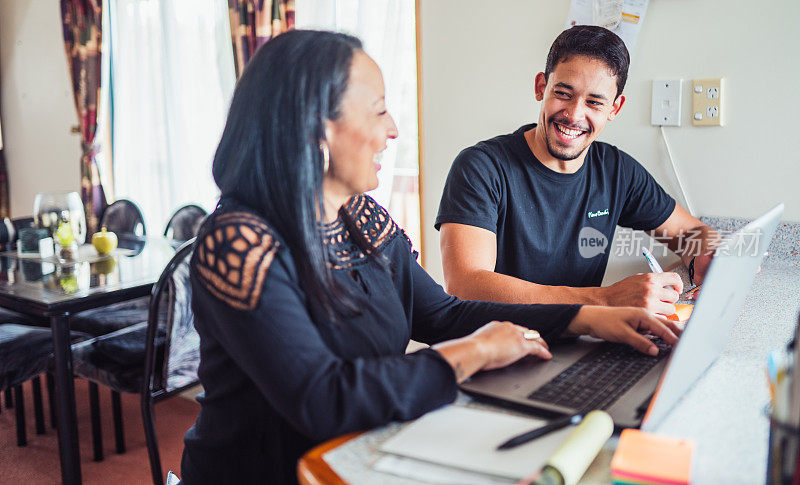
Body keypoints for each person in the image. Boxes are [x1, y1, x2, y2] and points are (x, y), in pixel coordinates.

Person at [179, 30, 680, 484]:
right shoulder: (237, 241)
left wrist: (589, 318)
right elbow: (323, 398)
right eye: (377, 110)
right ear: (316, 128)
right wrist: (476, 351)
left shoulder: (360, 217)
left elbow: (441, 313)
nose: (393, 128)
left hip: (363, 453)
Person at [436, 26, 720, 315]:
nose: (573, 114)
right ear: (540, 87)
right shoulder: (480, 168)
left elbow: (692, 232)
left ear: (615, 109)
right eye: (563, 93)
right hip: (495, 347)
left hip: (577, 343)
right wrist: (606, 300)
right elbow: (466, 284)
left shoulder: (616, 171)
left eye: (594, 102)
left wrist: (706, 257)